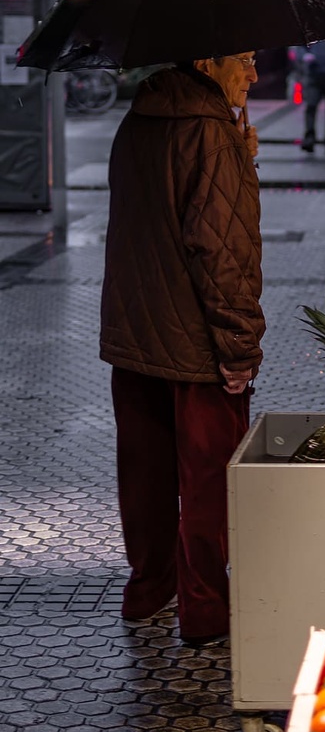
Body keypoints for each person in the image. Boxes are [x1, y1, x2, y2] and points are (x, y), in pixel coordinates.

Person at [99, 52, 264, 648]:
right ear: (206, 61)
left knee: (143, 477)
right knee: (207, 488)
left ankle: (147, 592)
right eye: (244, 61)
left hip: (133, 334)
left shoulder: (137, 119)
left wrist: (237, 162)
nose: (253, 76)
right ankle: (204, 613)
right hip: (197, 346)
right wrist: (239, 348)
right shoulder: (211, 133)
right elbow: (224, 254)